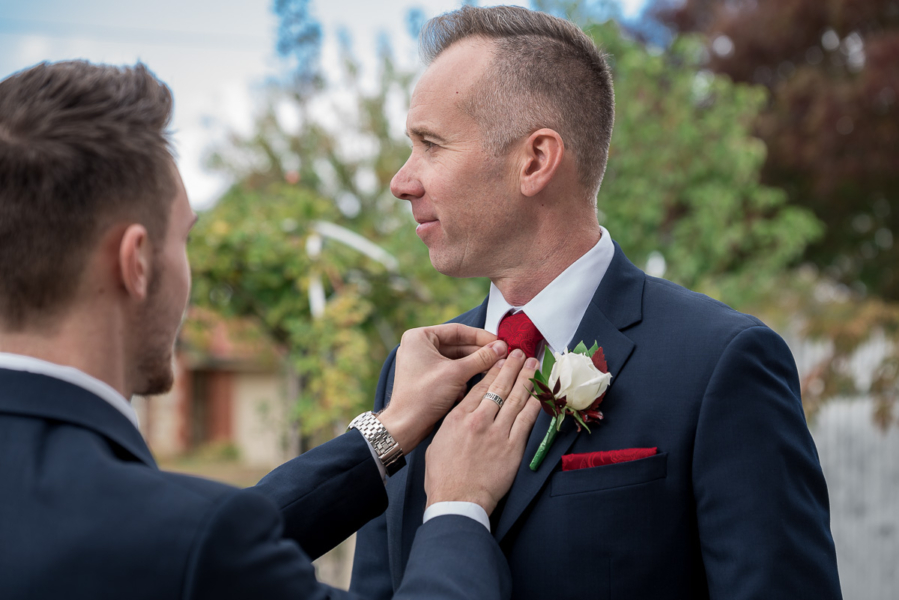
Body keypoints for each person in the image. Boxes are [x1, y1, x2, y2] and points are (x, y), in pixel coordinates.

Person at [0, 60, 543, 599]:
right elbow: (194, 547)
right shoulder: (186, 541)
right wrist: (457, 505)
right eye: (183, 240)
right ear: (136, 262)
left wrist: (388, 432)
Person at [350, 6, 843, 599]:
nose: (402, 181)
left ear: (535, 160)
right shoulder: (411, 378)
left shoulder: (720, 365)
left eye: (430, 144)